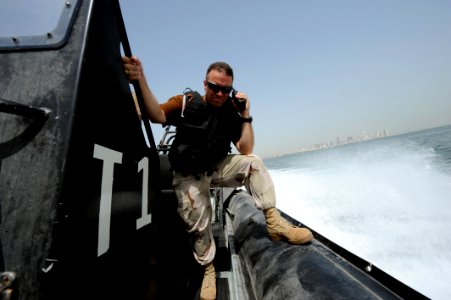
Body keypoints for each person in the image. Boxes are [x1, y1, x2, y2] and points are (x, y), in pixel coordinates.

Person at [122, 56, 313, 300]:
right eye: (215, 87)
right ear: (205, 84)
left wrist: (245, 114)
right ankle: (207, 269)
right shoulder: (186, 103)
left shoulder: (231, 113)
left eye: (226, 89)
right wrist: (141, 80)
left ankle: (274, 224)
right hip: (189, 173)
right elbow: (156, 115)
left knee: (253, 162)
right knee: (198, 220)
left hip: (216, 168)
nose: (220, 94)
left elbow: (245, 148)